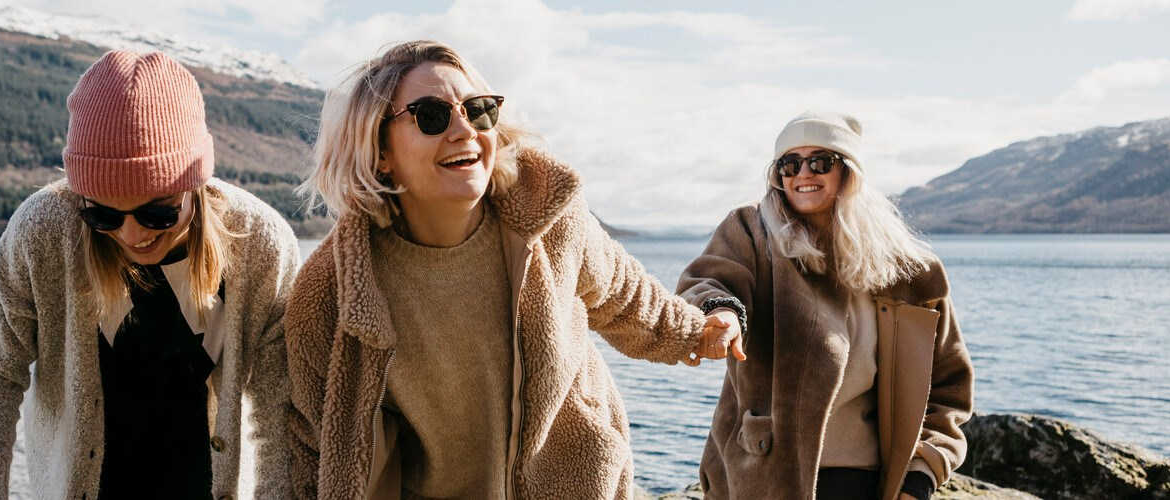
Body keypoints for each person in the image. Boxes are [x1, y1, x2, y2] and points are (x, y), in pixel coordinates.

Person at [284, 40, 737, 499]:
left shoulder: (549, 217)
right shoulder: (333, 288)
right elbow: (308, 443)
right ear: (379, 151)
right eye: (432, 115)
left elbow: (624, 295)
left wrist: (700, 332)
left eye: (478, 110)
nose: (464, 130)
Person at [0, 50, 297, 500]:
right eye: (103, 216)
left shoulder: (261, 243)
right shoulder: (41, 231)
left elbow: (279, 410)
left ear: (195, 184)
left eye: (157, 213)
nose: (132, 234)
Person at [676, 111, 974, 499]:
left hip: (864, 480)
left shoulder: (910, 270)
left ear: (849, 173)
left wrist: (920, 476)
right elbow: (709, 280)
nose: (803, 174)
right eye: (789, 164)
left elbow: (948, 387)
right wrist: (721, 313)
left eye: (820, 161)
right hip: (760, 476)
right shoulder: (751, 231)